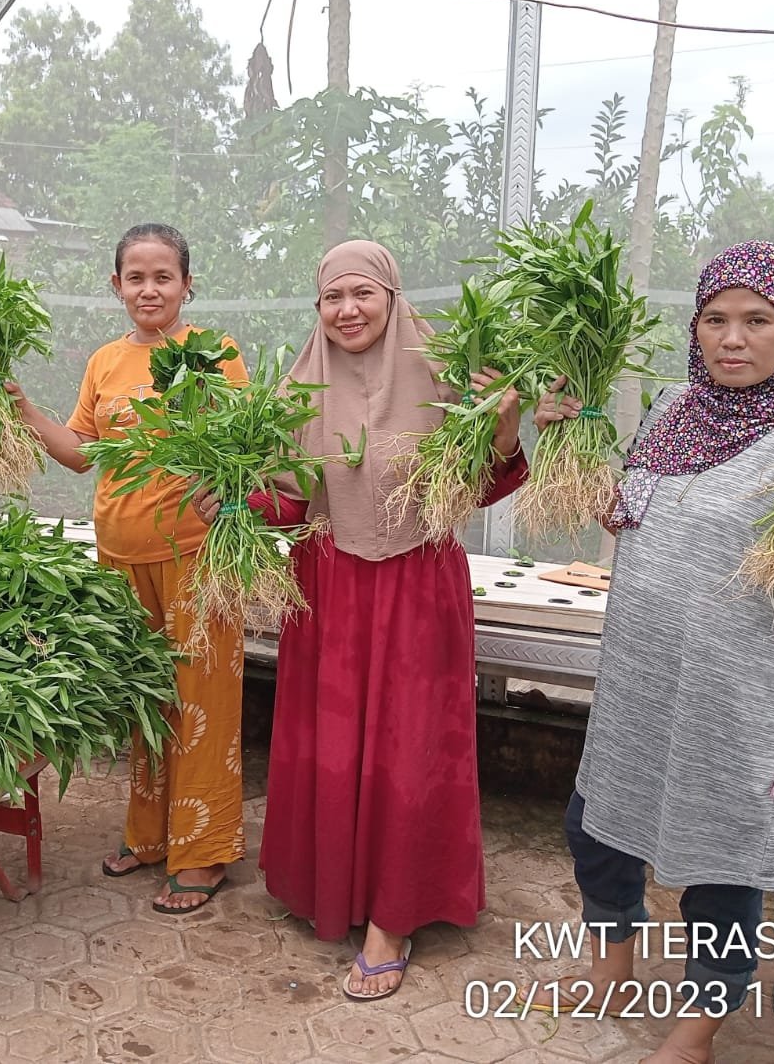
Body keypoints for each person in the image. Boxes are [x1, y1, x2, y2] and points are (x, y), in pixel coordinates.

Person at [534, 241, 774, 1063]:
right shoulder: (675, 414)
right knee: (596, 826)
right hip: (641, 676)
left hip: (737, 700)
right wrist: (572, 444)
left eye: (756, 320)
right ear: (694, 328)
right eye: (715, 320)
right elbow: (625, 518)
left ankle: (699, 1024)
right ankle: (615, 964)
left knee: (721, 866)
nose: (732, 339)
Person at [223, 240, 527, 1001]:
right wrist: (231, 499)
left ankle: (394, 917)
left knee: (412, 744)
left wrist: (503, 425)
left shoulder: (445, 375)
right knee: (330, 738)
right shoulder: (298, 385)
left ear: (392, 296)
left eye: (363, 293)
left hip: (418, 582)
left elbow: (481, 487)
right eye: (332, 297)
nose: (347, 310)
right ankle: (328, 887)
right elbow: (290, 501)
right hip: (327, 582)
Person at [5, 223, 249, 914]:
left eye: (163, 276)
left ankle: (203, 855)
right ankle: (149, 837)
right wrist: (20, 409)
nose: (149, 289)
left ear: (187, 283)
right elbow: (82, 452)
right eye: (135, 277)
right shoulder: (106, 362)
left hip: (197, 558)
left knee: (200, 703)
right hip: (120, 558)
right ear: (116, 287)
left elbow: (240, 450)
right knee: (145, 701)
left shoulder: (213, 355)